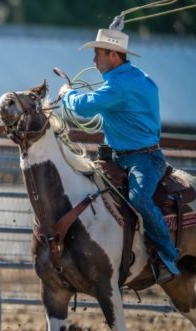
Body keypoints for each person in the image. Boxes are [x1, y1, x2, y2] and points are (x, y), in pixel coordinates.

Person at [59, 28, 180, 284]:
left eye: (98, 53)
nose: (93, 60)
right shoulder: (130, 79)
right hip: (119, 155)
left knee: (139, 198)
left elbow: (84, 106)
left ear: (113, 55)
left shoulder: (120, 85)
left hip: (143, 159)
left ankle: (168, 256)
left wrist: (66, 93)